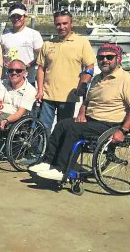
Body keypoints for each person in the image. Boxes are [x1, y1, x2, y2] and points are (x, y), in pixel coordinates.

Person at [29, 44, 130, 180]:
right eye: (101, 57)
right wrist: (82, 113)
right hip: (91, 119)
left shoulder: (125, 79)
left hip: (110, 124)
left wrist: (123, 131)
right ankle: (48, 162)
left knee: (74, 129)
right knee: (62, 125)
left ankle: (61, 169)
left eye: (109, 57)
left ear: (118, 59)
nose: (104, 60)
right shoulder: (97, 79)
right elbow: (87, 101)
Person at [36, 10, 95, 133]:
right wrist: (40, 90)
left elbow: (89, 66)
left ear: (71, 23)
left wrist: (83, 84)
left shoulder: (82, 42)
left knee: (62, 129)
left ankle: (60, 152)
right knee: (43, 128)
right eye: (58, 24)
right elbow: (41, 68)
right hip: (47, 96)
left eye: (65, 23)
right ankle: (40, 152)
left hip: (69, 97)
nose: (61, 27)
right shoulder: (47, 44)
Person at [0, 3, 43, 85]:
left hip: (28, 80)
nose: (16, 19)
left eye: (19, 16)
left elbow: (42, 56)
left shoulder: (34, 34)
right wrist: (3, 61)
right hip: (8, 81)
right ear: (10, 18)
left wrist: (28, 65)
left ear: (25, 17)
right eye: (13, 16)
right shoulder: (4, 35)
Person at [0, 60, 37, 131]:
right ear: (7, 72)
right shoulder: (3, 83)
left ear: (25, 73)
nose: (14, 73)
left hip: (16, 118)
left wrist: (6, 120)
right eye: (11, 70)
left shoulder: (30, 90)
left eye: (18, 71)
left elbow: (20, 113)